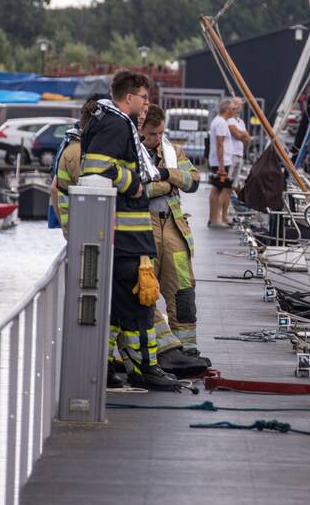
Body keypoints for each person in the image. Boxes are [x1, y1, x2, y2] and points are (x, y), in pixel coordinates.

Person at [80, 70, 177, 391]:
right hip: (127, 240)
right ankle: (144, 368)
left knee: (117, 309)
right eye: (144, 98)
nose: (147, 104)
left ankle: (107, 365)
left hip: (122, 239)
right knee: (140, 305)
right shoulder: (116, 124)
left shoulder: (110, 122)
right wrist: (133, 183)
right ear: (130, 97)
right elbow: (95, 168)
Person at [139, 104, 210, 374]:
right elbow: (137, 189)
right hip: (144, 227)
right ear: (140, 131)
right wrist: (168, 185)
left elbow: (193, 181)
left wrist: (169, 175)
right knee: (144, 290)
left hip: (173, 228)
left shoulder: (172, 151)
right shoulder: (131, 151)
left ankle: (187, 349)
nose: (157, 139)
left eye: (160, 133)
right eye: (152, 134)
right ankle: (156, 351)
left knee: (183, 290)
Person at [50, 96, 100, 235]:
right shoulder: (79, 152)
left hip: (75, 227)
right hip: (81, 228)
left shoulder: (72, 144)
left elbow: (54, 188)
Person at [207, 98, 234, 228]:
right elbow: (219, 143)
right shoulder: (221, 123)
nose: (234, 111)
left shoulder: (218, 121)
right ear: (227, 109)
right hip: (222, 162)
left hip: (219, 161)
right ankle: (217, 218)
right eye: (233, 109)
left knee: (217, 188)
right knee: (223, 188)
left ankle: (214, 218)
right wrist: (222, 165)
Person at [227, 97, 251, 185]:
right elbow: (237, 135)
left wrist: (243, 135)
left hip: (240, 154)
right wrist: (243, 134)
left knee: (235, 181)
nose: (239, 107)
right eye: (238, 105)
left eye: (240, 105)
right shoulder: (229, 120)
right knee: (228, 179)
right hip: (231, 154)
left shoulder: (241, 122)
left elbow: (247, 138)